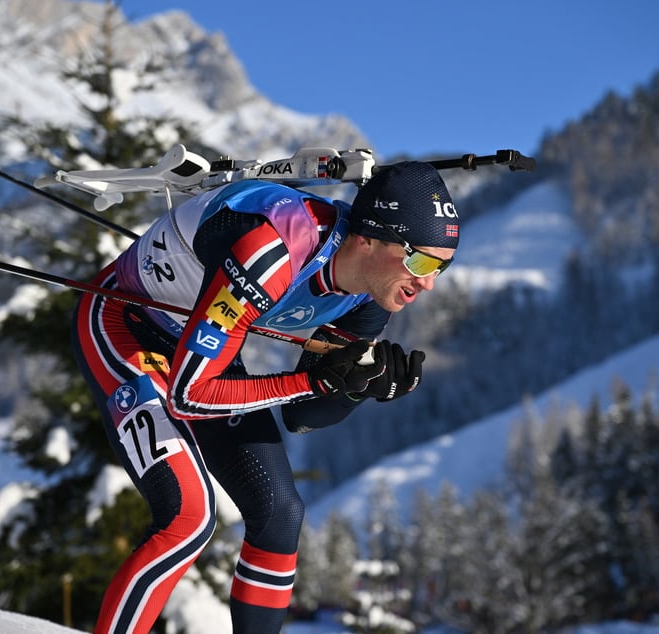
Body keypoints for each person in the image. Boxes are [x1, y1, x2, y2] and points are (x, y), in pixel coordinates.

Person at [71, 160, 459, 633]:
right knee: (187, 519)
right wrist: (319, 381)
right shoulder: (273, 248)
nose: (429, 282)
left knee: (279, 514)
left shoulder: (368, 295)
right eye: (420, 260)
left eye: (442, 265)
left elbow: (304, 415)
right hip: (127, 325)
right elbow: (191, 396)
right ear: (369, 239)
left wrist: (362, 386)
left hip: (202, 349)